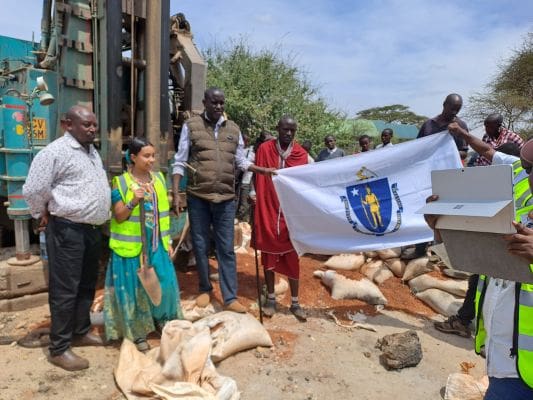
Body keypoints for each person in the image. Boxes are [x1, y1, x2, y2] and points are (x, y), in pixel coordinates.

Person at [426, 124, 533, 399]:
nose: (530, 177)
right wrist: (442, 227)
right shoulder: (518, 191)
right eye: (528, 167)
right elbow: (477, 261)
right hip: (504, 359)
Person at [171, 87, 274, 313]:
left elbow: (240, 161)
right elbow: (180, 160)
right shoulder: (192, 127)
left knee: (226, 248)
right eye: (214, 102)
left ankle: (229, 297)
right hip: (198, 196)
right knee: (200, 244)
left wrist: (261, 170)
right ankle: (205, 288)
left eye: (221, 103)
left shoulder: (233, 129)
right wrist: (177, 192)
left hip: (226, 198)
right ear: (204, 102)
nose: (218, 106)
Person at [23, 106, 110, 371]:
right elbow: (34, 188)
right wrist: (41, 213)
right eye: (86, 125)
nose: (92, 129)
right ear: (67, 124)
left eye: (94, 124)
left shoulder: (92, 151)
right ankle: (59, 348)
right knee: (65, 289)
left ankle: (80, 331)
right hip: (67, 229)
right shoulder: (55, 152)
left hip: (91, 230)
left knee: (86, 284)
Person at [104, 137, 183, 352]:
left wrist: (167, 241)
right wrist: (133, 201)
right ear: (133, 157)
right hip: (131, 247)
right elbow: (119, 216)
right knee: (134, 290)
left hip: (156, 243)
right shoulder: (120, 182)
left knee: (164, 283)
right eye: (146, 156)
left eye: (153, 155)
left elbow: (164, 214)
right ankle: (137, 333)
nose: (151, 160)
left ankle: (161, 320)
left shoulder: (158, 179)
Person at [253, 115, 308, 321]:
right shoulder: (264, 150)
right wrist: (253, 195)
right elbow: (256, 175)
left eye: (292, 130)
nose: (288, 133)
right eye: (285, 129)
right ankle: (271, 298)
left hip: (290, 215)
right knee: (268, 255)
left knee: (293, 259)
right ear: (278, 128)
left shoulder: (301, 154)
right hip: (267, 208)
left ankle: (295, 302)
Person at [417, 93, 469, 159]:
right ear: (444, 104)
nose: (454, 112)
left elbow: (464, 154)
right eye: (452, 109)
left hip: (449, 167)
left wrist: (444, 154)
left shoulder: (461, 126)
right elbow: (418, 148)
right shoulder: (428, 124)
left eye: (457, 110)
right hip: (428, 167)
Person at [236, 134, 256, 222]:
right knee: (237, 201)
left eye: (247, 141)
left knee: (245, 204)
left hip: (247, 181)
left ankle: (244, 222)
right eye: (244, 141)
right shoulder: (241, 152)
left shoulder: (251, 153)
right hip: (240, 180)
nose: (245, 143)